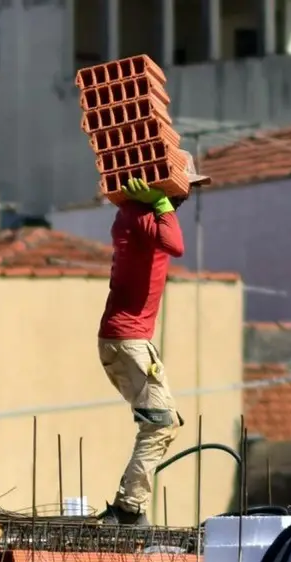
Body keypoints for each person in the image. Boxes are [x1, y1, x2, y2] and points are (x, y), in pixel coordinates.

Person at [97, 151, 210, 526]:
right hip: (128, 340)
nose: (185, 197)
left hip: (123, 340)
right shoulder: (145, 217)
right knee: (160, 423)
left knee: (164, 421)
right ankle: (129, 509)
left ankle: (130, 505)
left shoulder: (132, 214)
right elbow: (176, 244)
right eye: (181, 189)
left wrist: (157, 203)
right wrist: (160, 203)